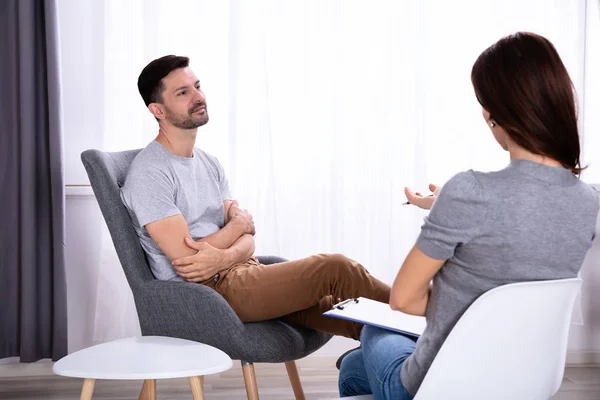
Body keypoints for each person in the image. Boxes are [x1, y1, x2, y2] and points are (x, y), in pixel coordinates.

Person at [338, 32, 599, 399]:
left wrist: (453, 206)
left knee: (371, 335)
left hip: (443, 385)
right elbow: (523, 218)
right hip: (525, 381)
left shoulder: (469, 193)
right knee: (354, 368)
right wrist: (446, 206)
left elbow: (404, 300)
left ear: (495, 113)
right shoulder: (588, 201)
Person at [120, 55, 391, 341]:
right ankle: (431, 314)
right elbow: (189, 262)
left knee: (352, 316)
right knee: (335, 268)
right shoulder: (150, 173)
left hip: (244, 273)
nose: (198, 97)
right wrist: (236, 230)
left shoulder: (208, 163)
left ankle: (418, 354)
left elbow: (249, 238)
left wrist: (227, 250)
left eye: (197, 86)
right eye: (183, 92)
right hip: (208, 294)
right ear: (158, 110)